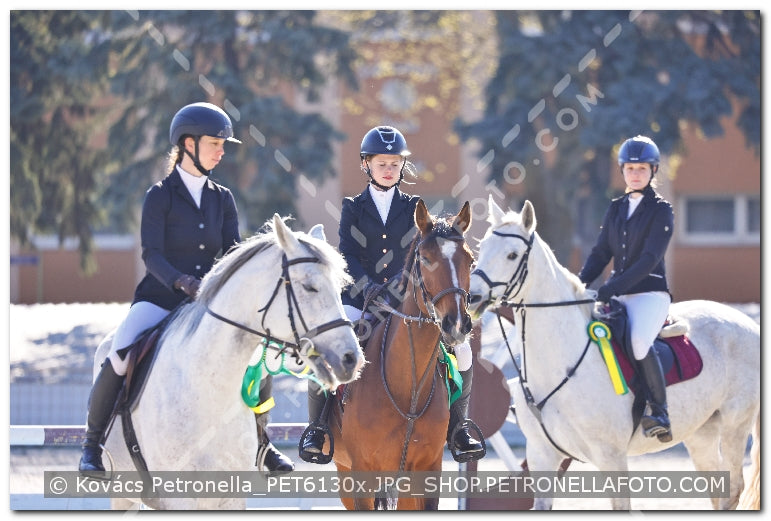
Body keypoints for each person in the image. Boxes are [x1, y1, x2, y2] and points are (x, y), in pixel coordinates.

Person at [78, 102, 294, 475]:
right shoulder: (160, 195)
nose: (222, 150)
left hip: (208, 305)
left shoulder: (222, 198)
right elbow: (152, 254)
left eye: (224, 144)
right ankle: (92, 445)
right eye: (215, 142)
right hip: (160, 298)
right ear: (188, 144)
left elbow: (231, 253)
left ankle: (262, 443)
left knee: (256, 356)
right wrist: (182, 281)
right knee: (121, 351)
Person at [299, 125, 484, 462]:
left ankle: (459, 426)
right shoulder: (353, 207)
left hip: (408, 300)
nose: (389, 169)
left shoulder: (414, 206)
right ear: (366, 165)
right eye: (381, 163)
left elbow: (420, 254)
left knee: (464, 351)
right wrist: (367, 286)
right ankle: (318, 426)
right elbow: (348, 255)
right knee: (327, 349)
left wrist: (399, 287)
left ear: (402, 167)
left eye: (395, 163)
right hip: (361, 298)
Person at [579, 135, 674, 442]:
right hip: (617, 293)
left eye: (642, 169)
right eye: (630, 168)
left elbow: (649, 260)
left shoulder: (662, 210)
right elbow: (600, 252)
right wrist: (579, 284)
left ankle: (660, 412)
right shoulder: (616, 208)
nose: (636, 174)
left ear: (653, 171)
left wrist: (610, 287)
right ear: (622, 171)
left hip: (649, 293)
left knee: (637, 341)